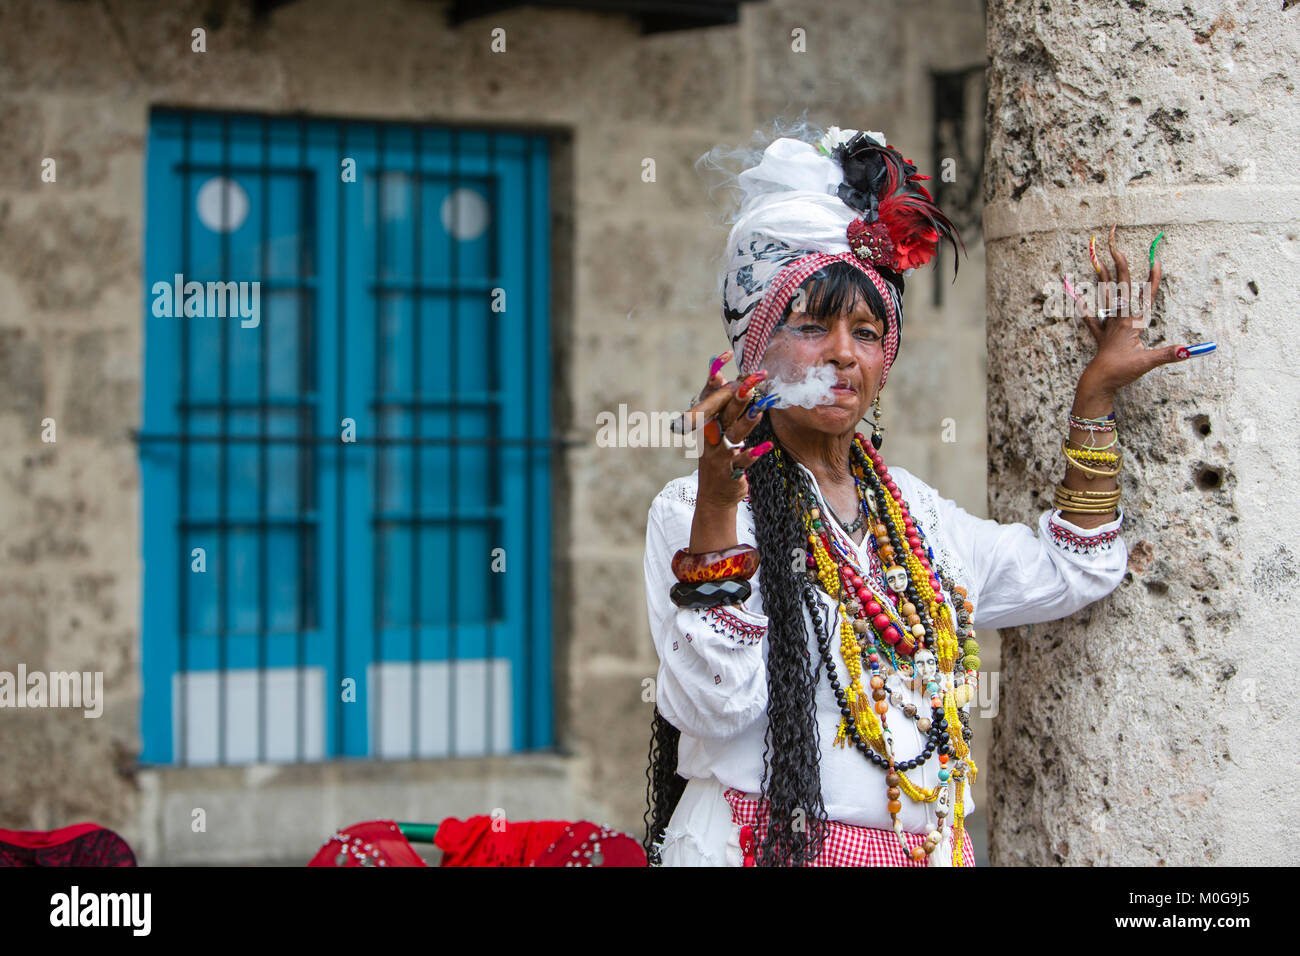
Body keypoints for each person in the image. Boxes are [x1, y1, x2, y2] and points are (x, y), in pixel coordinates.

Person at [642, 126, 1191, 867]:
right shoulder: (691, 509)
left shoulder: (915, 517)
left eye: (866, 333)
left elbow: (1078, 569)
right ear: (754, 352)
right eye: (810, 328)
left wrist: (1092, 399)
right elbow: (713, 702)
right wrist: (718, 495)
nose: (843, 354)